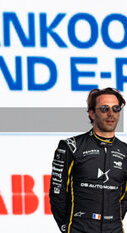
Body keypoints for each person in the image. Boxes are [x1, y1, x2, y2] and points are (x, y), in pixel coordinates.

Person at [49, 87, 127, 233]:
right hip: (79, 228)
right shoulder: (71, 146)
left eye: (116, 108)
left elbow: (125, 196)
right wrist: (66, 227)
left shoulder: (125, 151)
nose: (111, 113)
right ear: (92, 113)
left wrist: (112, 220)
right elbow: (57, 192)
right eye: (104, 108)